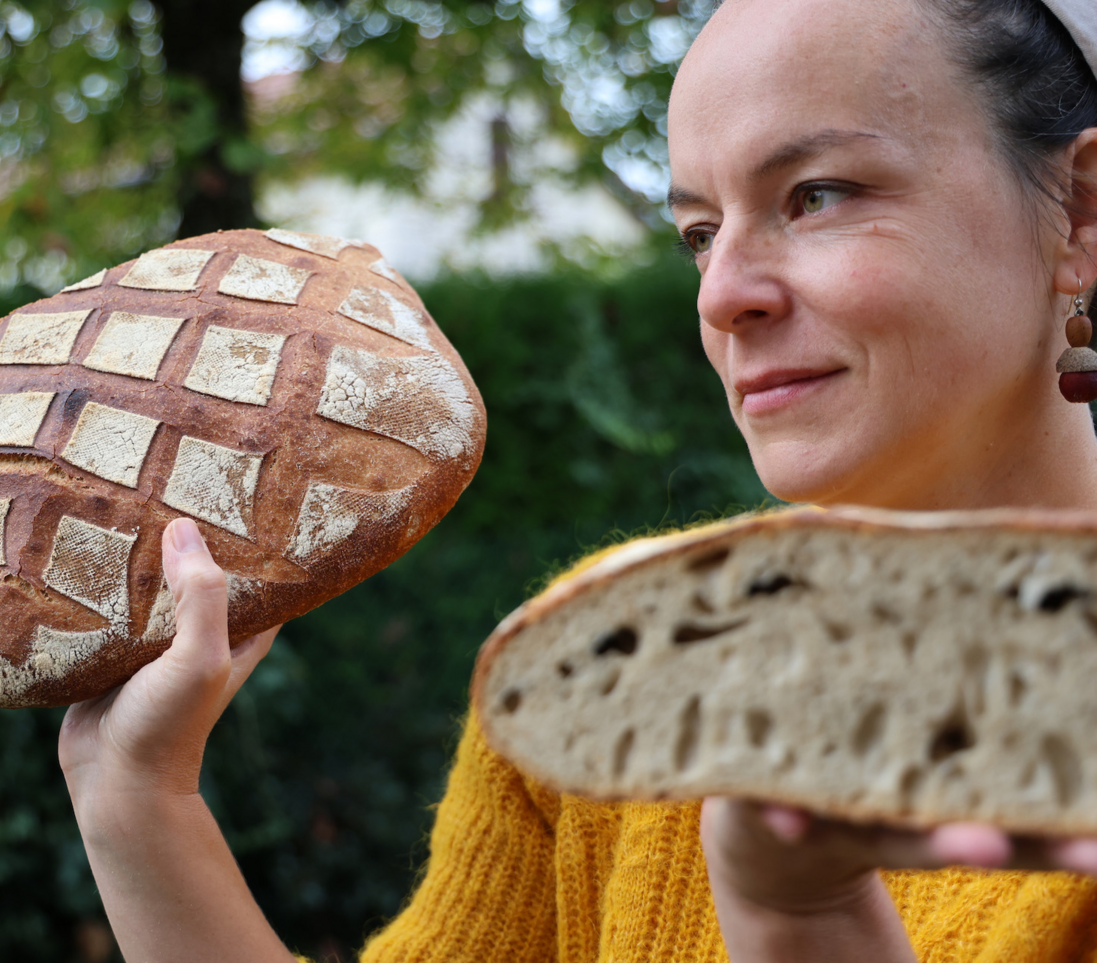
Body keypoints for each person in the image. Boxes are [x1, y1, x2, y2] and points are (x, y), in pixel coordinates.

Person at [57, 0, 1097, 959]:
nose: (721, 292)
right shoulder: (608, 654)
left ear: (1081, 215)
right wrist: (134, 799)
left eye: (815, 195)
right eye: (698, 232)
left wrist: (801, 912)